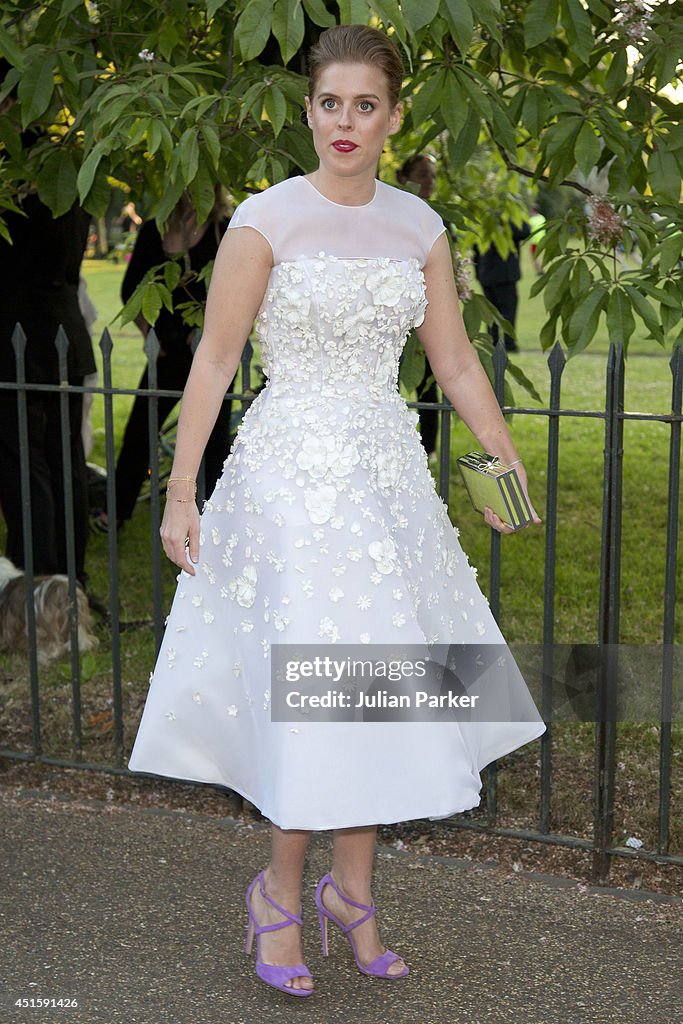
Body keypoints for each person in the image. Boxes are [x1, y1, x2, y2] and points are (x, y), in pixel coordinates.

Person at [127, 25, 545, 997]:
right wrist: (182, 489)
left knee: (381, 686)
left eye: (365, 105)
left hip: (385, 479)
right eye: (328, 103)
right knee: (315, 690)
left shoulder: (418, 226)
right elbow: (216, 362)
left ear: (393, 117)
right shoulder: (263, 220)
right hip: (288, 486)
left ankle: (350, 894)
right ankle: (279, 892)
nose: (344, 122)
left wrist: (501, 453)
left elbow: (452, 360)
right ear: (307, 111)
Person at [0, 60, 95, 587]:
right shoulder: (64, 162)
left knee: (27, 462)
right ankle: (66, 578)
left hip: (17, 333)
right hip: (60, 331)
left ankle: (41, 582)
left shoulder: (18, 171)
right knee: (60, 461)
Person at [93, 190, 233, 531]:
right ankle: (117, 510)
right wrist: (149, 335)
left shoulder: (224, 230)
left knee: (215, 439)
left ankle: (215, 518)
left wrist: (207, 332)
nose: (187, 192)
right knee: (141, 430)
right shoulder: (155, 230)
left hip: (210, 352)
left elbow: (234, 292)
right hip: (166, 352)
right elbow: (132, 290)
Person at [396, 154, 439, 459]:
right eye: (423, 175)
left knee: (428, 386)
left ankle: (431, 446)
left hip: (426, 318)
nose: (428, 182)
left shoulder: (435, 223)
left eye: (432, 176)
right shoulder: (389, 215)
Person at [472, 219, 530, 352]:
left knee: (491, 312)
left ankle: (493, 343)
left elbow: (475, 248)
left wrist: (478, 273)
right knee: (507, 310)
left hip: (486, 273)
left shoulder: (482, 219)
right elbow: (525, 231)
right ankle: (508, 344)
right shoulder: (507, 221)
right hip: (505, 274)